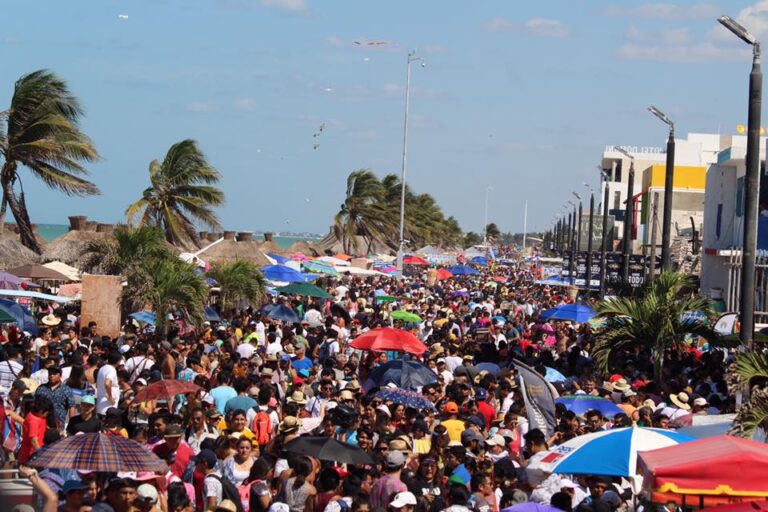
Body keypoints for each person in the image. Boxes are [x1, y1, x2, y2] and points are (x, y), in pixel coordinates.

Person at [18, 395, 52, 463]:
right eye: (47, 412)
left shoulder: (40, 416)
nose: (47, 414)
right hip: (31, 456)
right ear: (41, 411)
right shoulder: (33, 420)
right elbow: (33, 441)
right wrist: (41, 455)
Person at [96, 352, 122, 416]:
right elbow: (107, 383)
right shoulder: (112, 370)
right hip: (108, 407)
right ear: (118, 361)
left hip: (100, 404)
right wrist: (110, 397)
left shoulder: (102, 368)